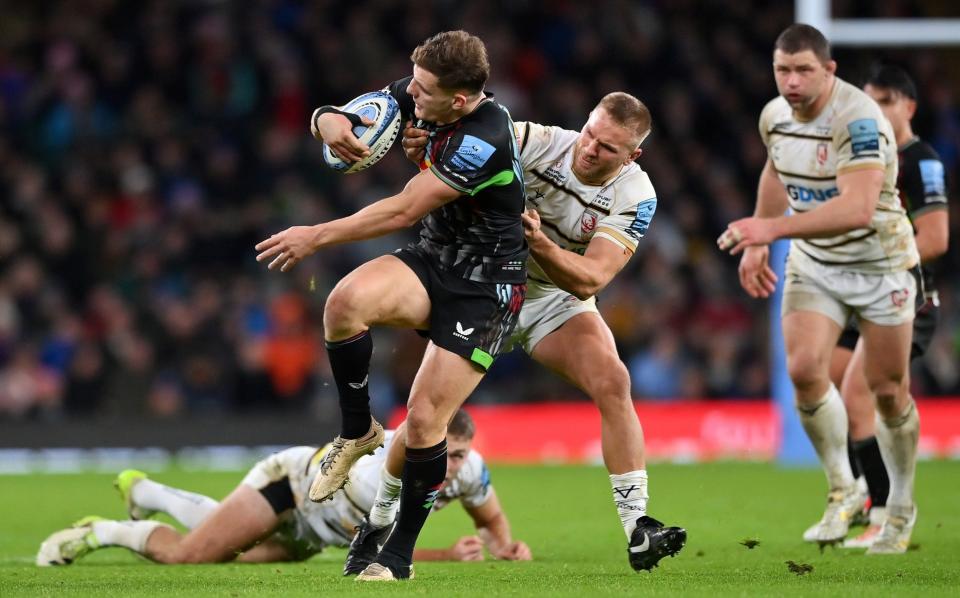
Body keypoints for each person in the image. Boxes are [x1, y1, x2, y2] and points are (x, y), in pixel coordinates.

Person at [254, 30, 527, 581]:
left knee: (426, 422)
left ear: (460, 99)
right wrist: (327, 122)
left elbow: (405, 208)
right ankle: (358, 431)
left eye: (423, 89)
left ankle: (394, 556)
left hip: (487, 286)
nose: (411, 94)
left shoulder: (485, 135)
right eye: (414, 81)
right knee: (344, 302)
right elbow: (351, 111)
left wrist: (316, 235)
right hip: (436, 258)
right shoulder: (429, 91)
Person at [383, 92, 686, 573]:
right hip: (485, 282)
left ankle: (638, 527)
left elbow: (590, 279)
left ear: (633, 155)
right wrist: (421, 149)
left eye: (608, 148)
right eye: (590, 133)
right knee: (427, 415)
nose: (589, 149)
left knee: (614, 381)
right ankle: (379, 518)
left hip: (552, 297)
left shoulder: (636, 195)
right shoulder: (535, 140)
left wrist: (540, 242)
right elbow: (457, 156)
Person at [718, 24, 921, 554]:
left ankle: (899, 508)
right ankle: (843, 490)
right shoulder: (774, 116)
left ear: (829, 71)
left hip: (881, 263)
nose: (791, 81)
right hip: (816, 264)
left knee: (888, 390)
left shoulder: (858, 119)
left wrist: (770, 230)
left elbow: (856, 209)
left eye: (804, 70)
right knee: (804, 370)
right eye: (782, 70)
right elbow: (775, 173)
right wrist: (760, 245)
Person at [36, 410, 532, 568]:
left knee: (223, 549)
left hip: (317, 536)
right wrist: (448, 555)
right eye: (442, 448)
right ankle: (106, 532)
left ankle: (146, 492)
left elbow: (490, 519)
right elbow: (378, 549)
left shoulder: (469, 470)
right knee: (193, 556)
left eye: (461, 453)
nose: (450, 462)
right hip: (293, 488)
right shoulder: (382, 473)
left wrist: (506, 547)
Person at [813, 65, 948, 549]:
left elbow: (935, 238)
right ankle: (860, 497)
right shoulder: (863, 158)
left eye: (886, 101)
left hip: (903, 295)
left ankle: (888, 512)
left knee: (860, 398)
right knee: (821, 377)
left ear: (908, 107)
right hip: (860, 295)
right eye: (868, 101)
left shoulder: (919, 160)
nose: (875, 111)